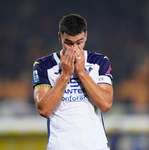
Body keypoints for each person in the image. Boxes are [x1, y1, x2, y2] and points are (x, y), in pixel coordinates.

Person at [33, 14, 113, 150]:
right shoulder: (43, 65)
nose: (74, 48)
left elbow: (106, 104)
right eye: (68, 43)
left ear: (86, 36)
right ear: (60, 37)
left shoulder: (99, 62)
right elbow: (44, 109)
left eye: (79, 42)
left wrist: (81, 72)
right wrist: (65, 75)